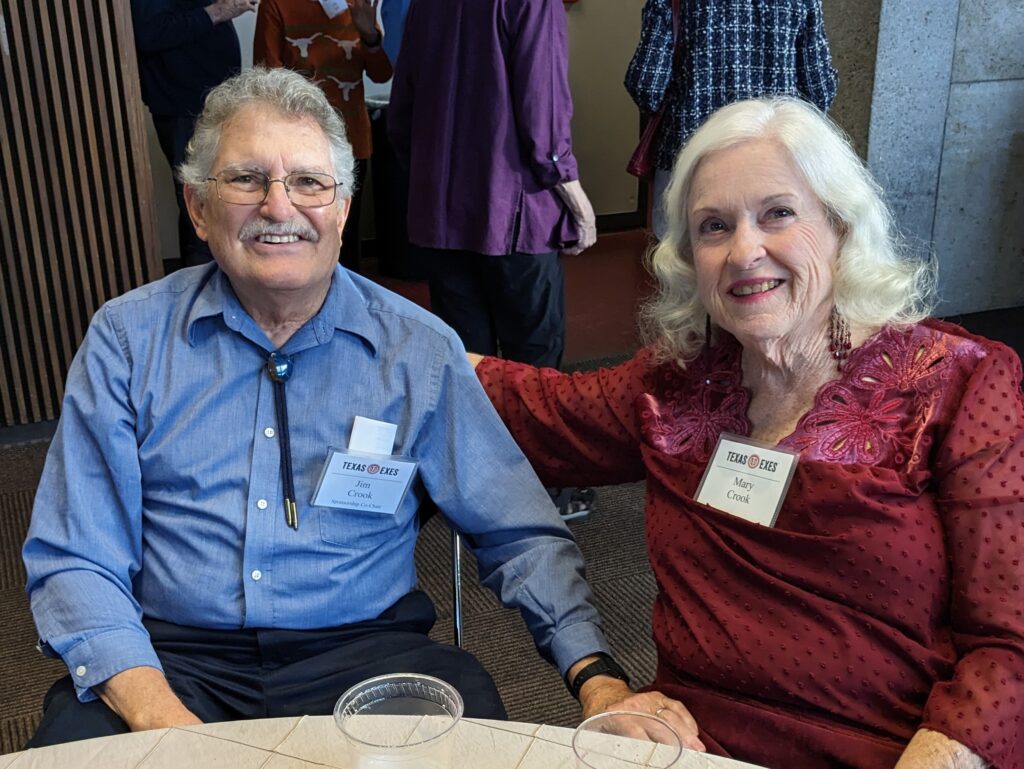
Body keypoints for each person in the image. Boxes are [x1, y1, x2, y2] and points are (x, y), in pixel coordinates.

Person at [21, 67, 696, 749]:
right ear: (198, 207)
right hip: (171, 659)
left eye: (309, 183)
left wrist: (598, 675)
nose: (279, 207)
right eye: (247, 179)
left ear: (343, 207)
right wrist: (165, 722)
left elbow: (518, 529)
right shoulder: (128, 340)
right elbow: (76, 556)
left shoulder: (418, 351)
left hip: (369, 659)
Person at [472, 97, 1024, 768]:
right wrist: (337, 295)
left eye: (778, 214)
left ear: (841, 226)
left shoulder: (956, 384)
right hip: (693, 747)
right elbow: (533, 405)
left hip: (892, 752)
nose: (744, 251)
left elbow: (1009, 641)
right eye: (713, 226)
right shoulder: (675, 385)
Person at [388, 0, 597, 371]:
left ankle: (477, 432)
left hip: (441, 211)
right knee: (533, 366)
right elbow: (542, 111)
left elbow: (402, 109)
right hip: (514, 212)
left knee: (468, 365)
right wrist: (577, 199)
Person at [624, 0, 838, 238]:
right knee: (765, 254)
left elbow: (647, 87)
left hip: (690, 154)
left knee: (683, 258)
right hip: (774, 155)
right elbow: (820, 91)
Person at [254, 0, 391, 273]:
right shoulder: (276, 5)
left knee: (346, 229)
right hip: (298, 142)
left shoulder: (358, 5)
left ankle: (346, 301)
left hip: (351, 138)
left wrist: (370, 35)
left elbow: (382, 73)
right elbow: (266, 79)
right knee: (303, 225)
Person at [131, 0, 254, 267]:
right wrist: (218, 12)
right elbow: (149, 32)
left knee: (214, 197)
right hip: (183, 106)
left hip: (211, 103)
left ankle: (219, 282)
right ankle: (201, 293)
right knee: (199, 201)